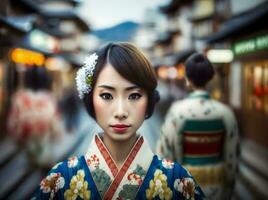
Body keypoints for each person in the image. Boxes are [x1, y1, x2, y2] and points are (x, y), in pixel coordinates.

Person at [32, 42, 204, 199]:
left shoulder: (178, 180)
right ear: (90, 99)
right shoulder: (60, 179)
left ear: (149, 101)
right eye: (106, 95)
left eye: (134, 95)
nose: (120, 112)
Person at [156, 53, 239, 200]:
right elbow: (232, 158)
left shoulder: (177, 111)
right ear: (210, 77)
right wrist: (228, 190)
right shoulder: (225, 113)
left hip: (185, 183)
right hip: (217, 183)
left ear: (187, 79)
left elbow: (165, 152)